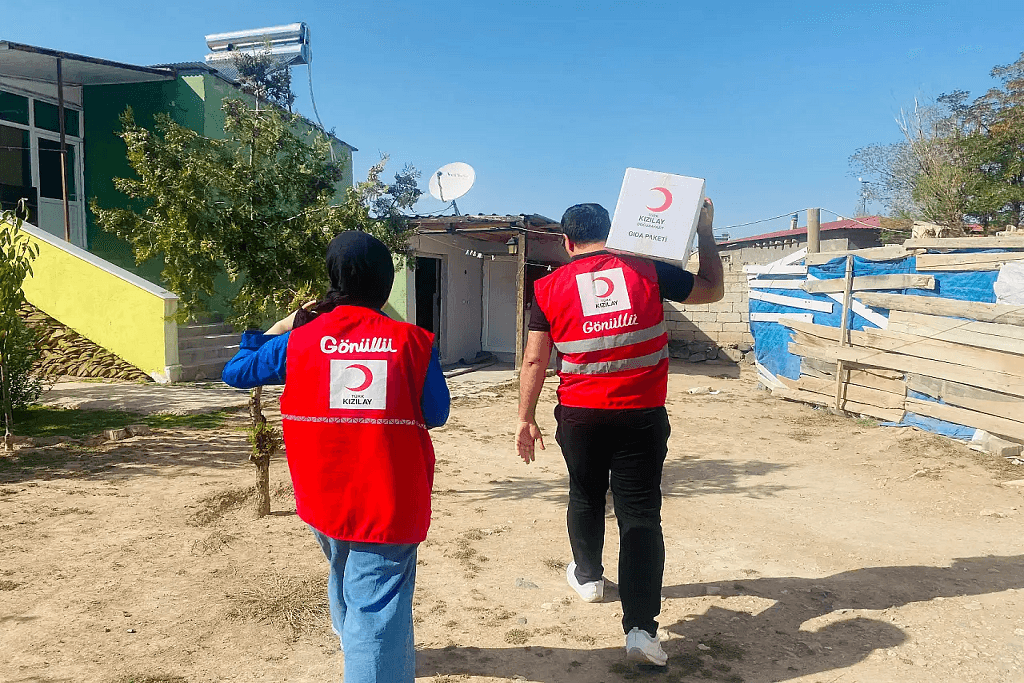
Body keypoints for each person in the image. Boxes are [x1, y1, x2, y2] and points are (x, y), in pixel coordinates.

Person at [221, 231, 450, 683]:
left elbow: (235, 372)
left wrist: (285, 325)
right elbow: (437, 412)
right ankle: (369, 663)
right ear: (385, 283)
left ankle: (364, 655)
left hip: (322, 497)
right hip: (388, 500)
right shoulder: (412, 342)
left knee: (346, 572)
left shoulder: (299, 342)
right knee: (376, 604)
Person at [515, 200, 723, 667]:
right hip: (641, 416)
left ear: (567, 243)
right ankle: (642, 631)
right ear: (613, 231)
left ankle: (588, 578)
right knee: (641, 516)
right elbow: (712, 289)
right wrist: (705, 231)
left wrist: (525, 417)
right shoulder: (648, 269)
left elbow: (534, 359)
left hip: (580, 415)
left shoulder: (548, 286)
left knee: (585, 494)